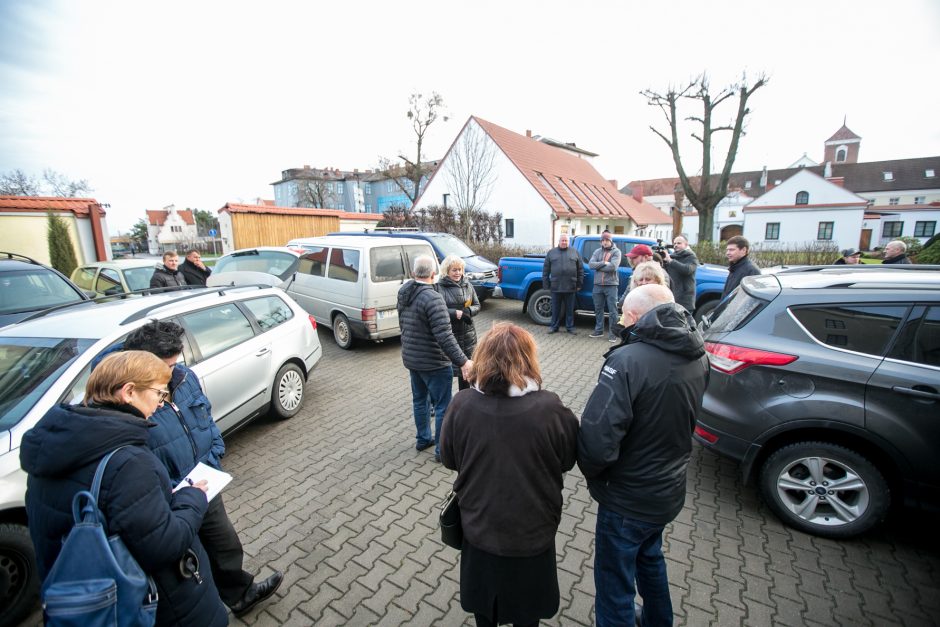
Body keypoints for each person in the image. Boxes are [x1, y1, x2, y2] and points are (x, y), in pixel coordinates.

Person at [20, 351, 228, 626]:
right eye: (158, 393)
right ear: (129, 392)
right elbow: (163, 545)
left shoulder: (50, 452)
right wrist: (193, 497)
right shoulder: (129, 461)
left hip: (81, 600)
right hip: (150, 606)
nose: (160, 403)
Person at [123, 321, 283, 617]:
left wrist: (213, 455)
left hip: (205, 481)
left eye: (174, 363)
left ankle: (241, 595)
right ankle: (208, 609)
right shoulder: (131, 400)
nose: (170, 373)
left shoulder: (185, 378)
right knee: (191, 562)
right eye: (164, 366)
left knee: (225, 544)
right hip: (172, 500)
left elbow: (205, 418)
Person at [578, 285, 709, 627]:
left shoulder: (625, 361)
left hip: (627, 498)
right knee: (650, 560)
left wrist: (594, 474)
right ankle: (657, 620)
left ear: (635, 317)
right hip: (667, 489)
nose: (620, 319)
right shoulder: (698, 353)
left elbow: (597, 439)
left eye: (623, 314)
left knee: (614, 584)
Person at [440, 322, 579, 627]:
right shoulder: (551, 408)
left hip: (479, 526)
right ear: (528, 359)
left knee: (484, 612)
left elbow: (449, 458)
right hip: (533, 529)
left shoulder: (460, 404)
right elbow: (568, 460)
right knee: (527, 613)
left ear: (483, 357)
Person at [397, 255, 473, 461]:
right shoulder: (433, 298)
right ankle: (441, 450)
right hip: (434, 362)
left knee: (420, 400)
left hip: (412, 359)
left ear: (414, 273)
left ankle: (423, 439)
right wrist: (464, 361)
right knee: (442, 406)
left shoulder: (404, 292)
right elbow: (444, 336)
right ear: (433, 274)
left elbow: (403, 326)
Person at [435, 254, 481, 391]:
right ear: (446, 271)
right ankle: (437, 402)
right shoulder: (439, 287)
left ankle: (465, 399)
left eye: (460, 269)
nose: (458, 273)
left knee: (467, 372)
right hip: (449, 335)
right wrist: (454, 313)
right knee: (446, 372)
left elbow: (477, 305)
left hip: (468, 337)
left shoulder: (468, 285)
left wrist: (469, 311)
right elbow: (437, 310)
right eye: (454, 270)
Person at [542, 233, 584, 334]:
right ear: (559, 241)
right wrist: (546, 284)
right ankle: (554, 327)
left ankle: (570, 327)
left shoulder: (575, 252)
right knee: (555, 309)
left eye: (566, 241)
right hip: (556, 286)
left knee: (570, 310)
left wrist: (579, 284)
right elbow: (546, 270)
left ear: (568, 242)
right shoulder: (551, 253)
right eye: (562, 240)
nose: (564, 242)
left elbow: (580, 270)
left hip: (571, 286)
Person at [589, 231, 622, 342]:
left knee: (613, 311)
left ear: (611, 241)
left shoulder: (616, 252)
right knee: (598, 309)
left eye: (607, 240)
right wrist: (604, 262)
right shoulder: (597, 251)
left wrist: (598, 266)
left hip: (611, 285)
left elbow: (613, 267)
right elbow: (590, 264)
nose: (605, 242)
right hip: (597, 285)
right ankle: (599, 331)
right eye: (603, 240)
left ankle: (613, 334)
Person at [663, 235, 698, 313]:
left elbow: (687, 270)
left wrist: (671, 261)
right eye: (674, 243)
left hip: (685, 300)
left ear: (686, 245)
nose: (676, 245)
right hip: (673, 297)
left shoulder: (691, 257)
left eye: (679, 243)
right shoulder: (673, 256)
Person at [721, 235, 761, 300]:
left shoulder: (751, 270)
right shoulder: (735, 266)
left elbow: (750, 300)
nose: (727, 253)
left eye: (731, 250)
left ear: (743, 250)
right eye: (727, 250)